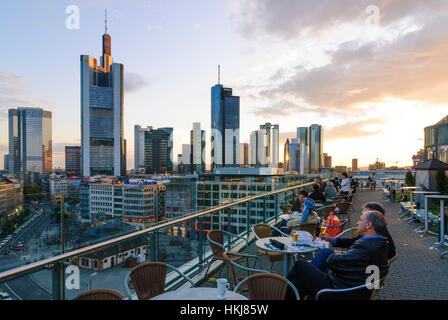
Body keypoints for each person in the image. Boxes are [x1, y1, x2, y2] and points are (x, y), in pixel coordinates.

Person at [286, 210, 389, 300]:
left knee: (300, 265)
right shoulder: (379, 244)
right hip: (349, 286)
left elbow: (333, 262)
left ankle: (282, 288)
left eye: (360, 220)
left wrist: (338, 255)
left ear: (368, 225)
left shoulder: (367, 247)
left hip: (339, 291)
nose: (357, 222)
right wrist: (345, 255)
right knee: (297, 282)